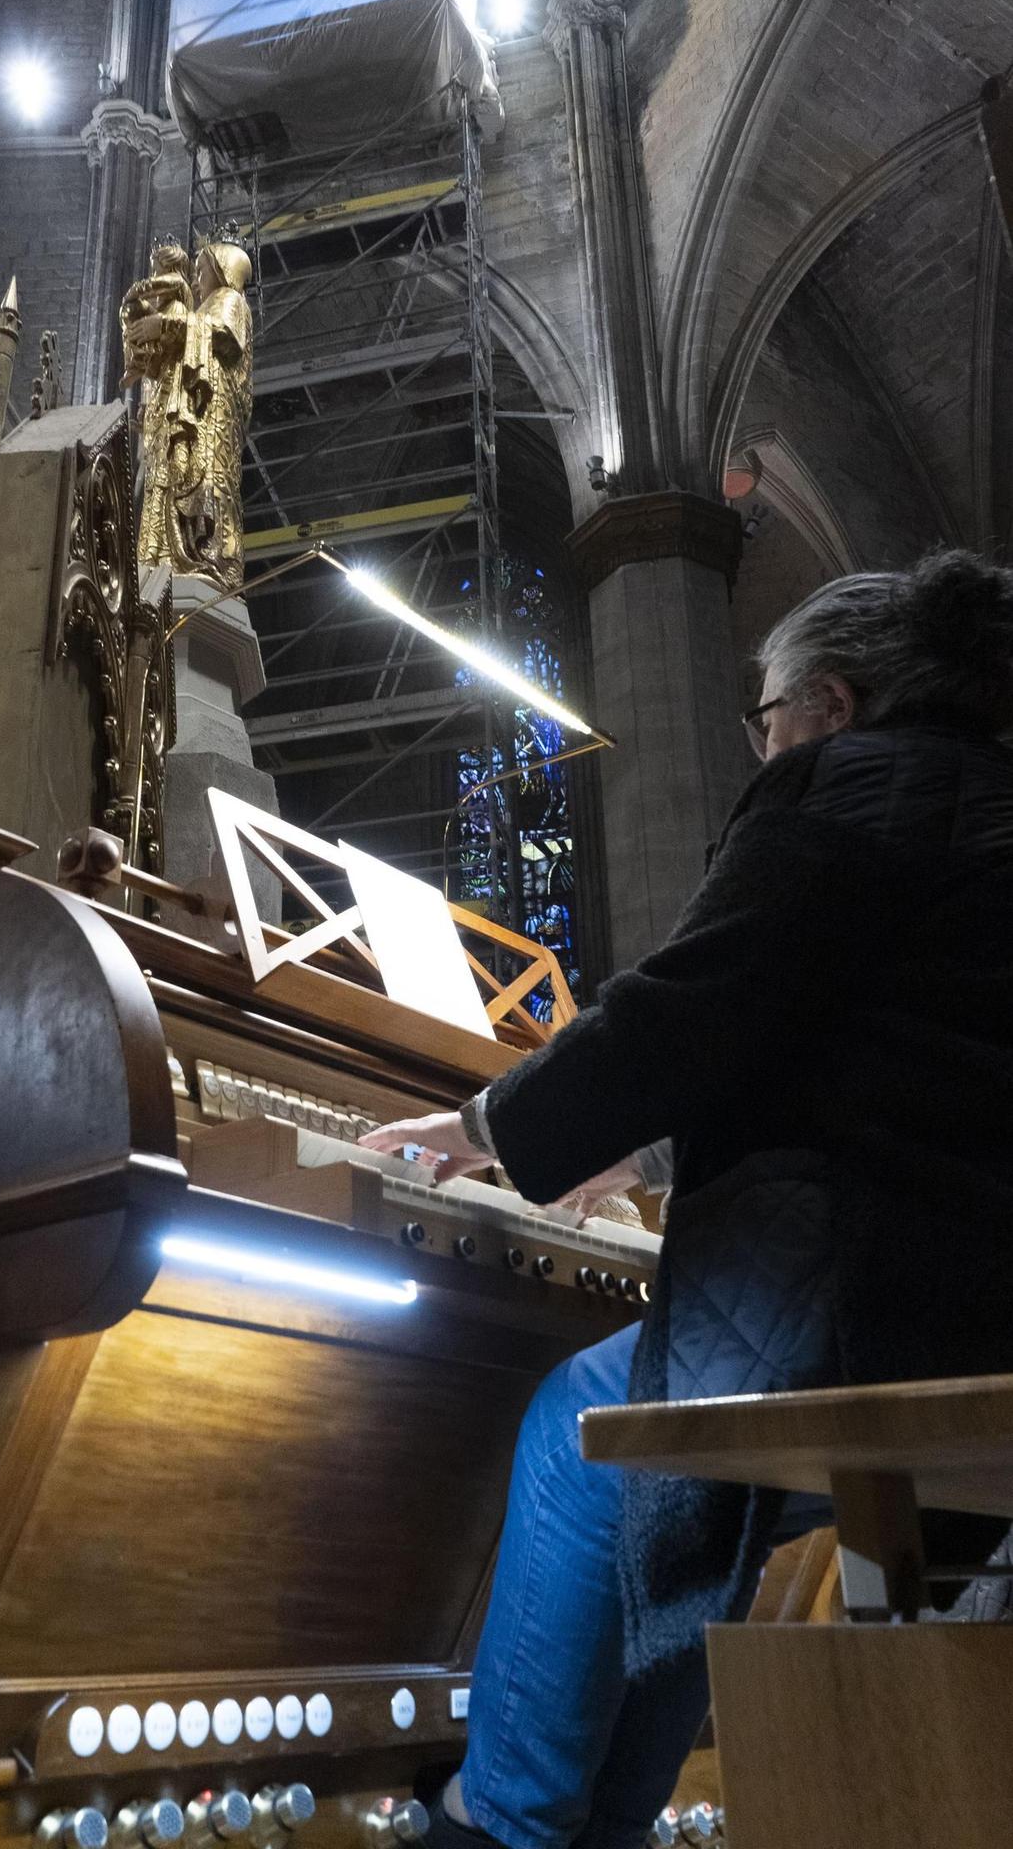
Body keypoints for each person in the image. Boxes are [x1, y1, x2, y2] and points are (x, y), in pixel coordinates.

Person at [361, 549, 1013, 1849]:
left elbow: (689, 1007)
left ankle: (504, 1822)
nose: (761, 747)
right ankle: (618, 1817)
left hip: (887, 1304)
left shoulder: (845, 783)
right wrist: (640, 1160)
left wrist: (491, 1123)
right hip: (973, 1303)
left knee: (592, 1428)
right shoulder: (980, 807)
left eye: (762, 721)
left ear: (826, 706)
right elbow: (868, 1058)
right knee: (688, 1459)